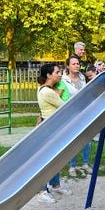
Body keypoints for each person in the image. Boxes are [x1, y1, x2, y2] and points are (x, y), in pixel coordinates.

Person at [36, 63, 70, 202]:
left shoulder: (43, 89)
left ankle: (55, 185)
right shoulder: (48, 92)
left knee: (55, 158)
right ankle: (42, 191)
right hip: (50, 128)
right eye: (57, 72)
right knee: (46, 160)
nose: (60, 74)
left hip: (52, 126)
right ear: (49, 75)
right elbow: (65, 107)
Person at [61, 55, 92, 177]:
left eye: (78, 63)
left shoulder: (83, 78)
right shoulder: (63, 80)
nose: (76, 65)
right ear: (68, 66)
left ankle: (85, 164)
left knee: (87, 140)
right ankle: (72, 166)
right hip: (71, 114)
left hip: (84, 112)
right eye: (73, 64)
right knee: (73, 140)